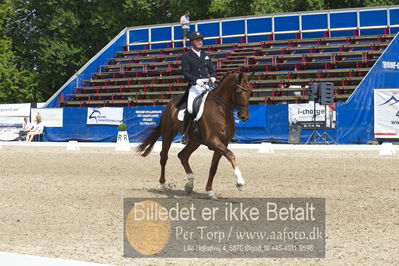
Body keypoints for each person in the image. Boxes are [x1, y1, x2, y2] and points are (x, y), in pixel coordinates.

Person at [180, 31, 216, 144]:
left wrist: (213, 77)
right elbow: (185, 72)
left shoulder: (205, 55)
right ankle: (185, 134)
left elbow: (212, 69)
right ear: (192, 42)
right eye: (197, 40)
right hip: (195, 86)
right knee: (190, 108)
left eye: (201, 39)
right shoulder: (187, 56)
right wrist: (196, 80)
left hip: (208, 85)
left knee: (220, 102)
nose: (200, 41)